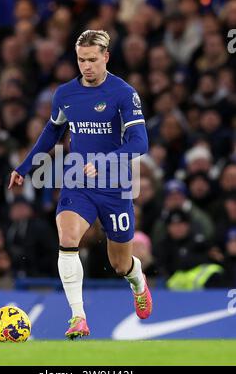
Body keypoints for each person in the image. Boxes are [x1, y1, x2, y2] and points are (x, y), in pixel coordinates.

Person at [8, 30, 152, 339]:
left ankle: (138, 280)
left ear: (105, 57)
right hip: (78, 179)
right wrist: (25, 167)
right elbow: (52, 131)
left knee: (119, 263)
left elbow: (140, 143)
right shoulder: (65, 94)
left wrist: (104, 161)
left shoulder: (123, 93)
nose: (86, 66)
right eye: (80, 60)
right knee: (68, 235)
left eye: (92, 60)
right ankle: (78, 317)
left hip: (115, 184)